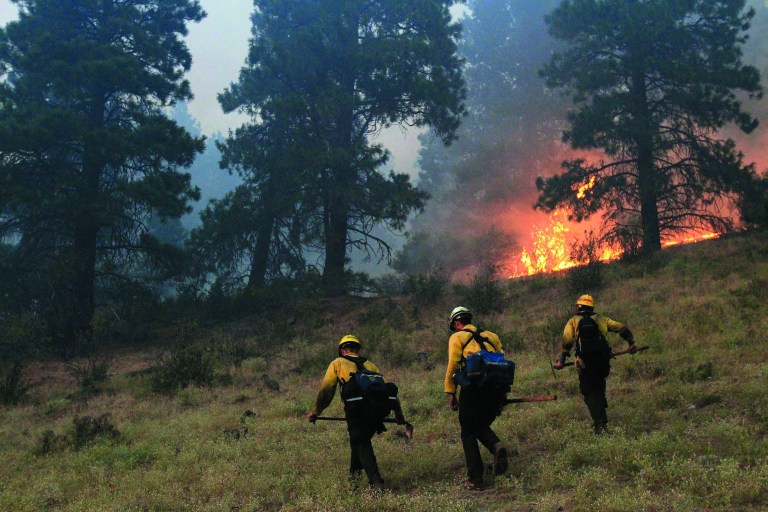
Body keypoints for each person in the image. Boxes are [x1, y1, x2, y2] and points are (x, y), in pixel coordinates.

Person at [306, 334, 406, 491]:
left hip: (356, 411)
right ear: (357, 349)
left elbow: (327, 390)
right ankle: (354, 483)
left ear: (343, 350)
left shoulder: (338, 362)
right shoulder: (370, 365)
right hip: (376, 412)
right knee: (358, 442)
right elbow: (387, 392)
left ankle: (376, 482)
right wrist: (400, 416)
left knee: (361, 442)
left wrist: (315, 412)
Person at [443, 306, 510, 490]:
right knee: (479, 424)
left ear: (457, 323)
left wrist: (450, 392)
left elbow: (453, 366)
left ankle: (476, 479)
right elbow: (502, 361)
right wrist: (503, 393)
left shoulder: (457, 337)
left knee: (468, 431)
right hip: (495, 388)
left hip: (472, 390)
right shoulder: (491, 336)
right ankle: (496, 446)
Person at [554, 294, 636, 435]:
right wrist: (631, 343)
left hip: (585, 362)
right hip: (603, 361)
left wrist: (561, 360)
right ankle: (601, 410)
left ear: (579, 306)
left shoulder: (573, 320)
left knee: (588, 391)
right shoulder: (601, 319)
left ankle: (600, 424)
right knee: (599, 384)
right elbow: (621, 327)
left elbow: (567, 341)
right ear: (592, 307)